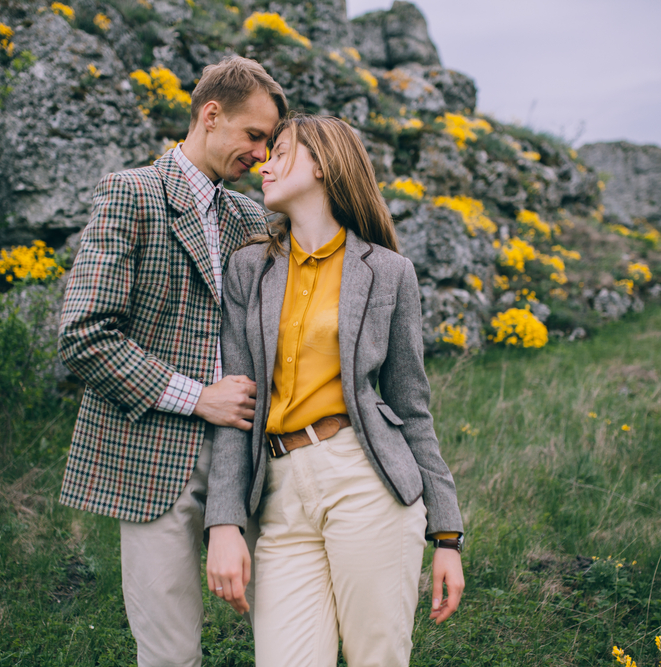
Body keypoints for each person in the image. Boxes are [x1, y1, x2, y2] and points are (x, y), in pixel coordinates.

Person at [204, 114, 465, 667]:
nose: (264, 163)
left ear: (322, 164)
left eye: (281, 151)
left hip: (366, 482)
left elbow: (412, 409)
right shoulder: (249, 268)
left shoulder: (389, 272)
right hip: (278, 498)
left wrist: (447, 536)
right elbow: (236, 402)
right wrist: (225, 522)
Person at [57, 56, 286, 667]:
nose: (262, 156)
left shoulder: (250, 216)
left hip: (250, 456)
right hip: (153, 458)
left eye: (269, 143)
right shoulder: (128, 193)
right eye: (254, 136)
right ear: (211, 115)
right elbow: (83, 334)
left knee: (294, 636)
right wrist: (196, 395)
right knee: (169, 654)